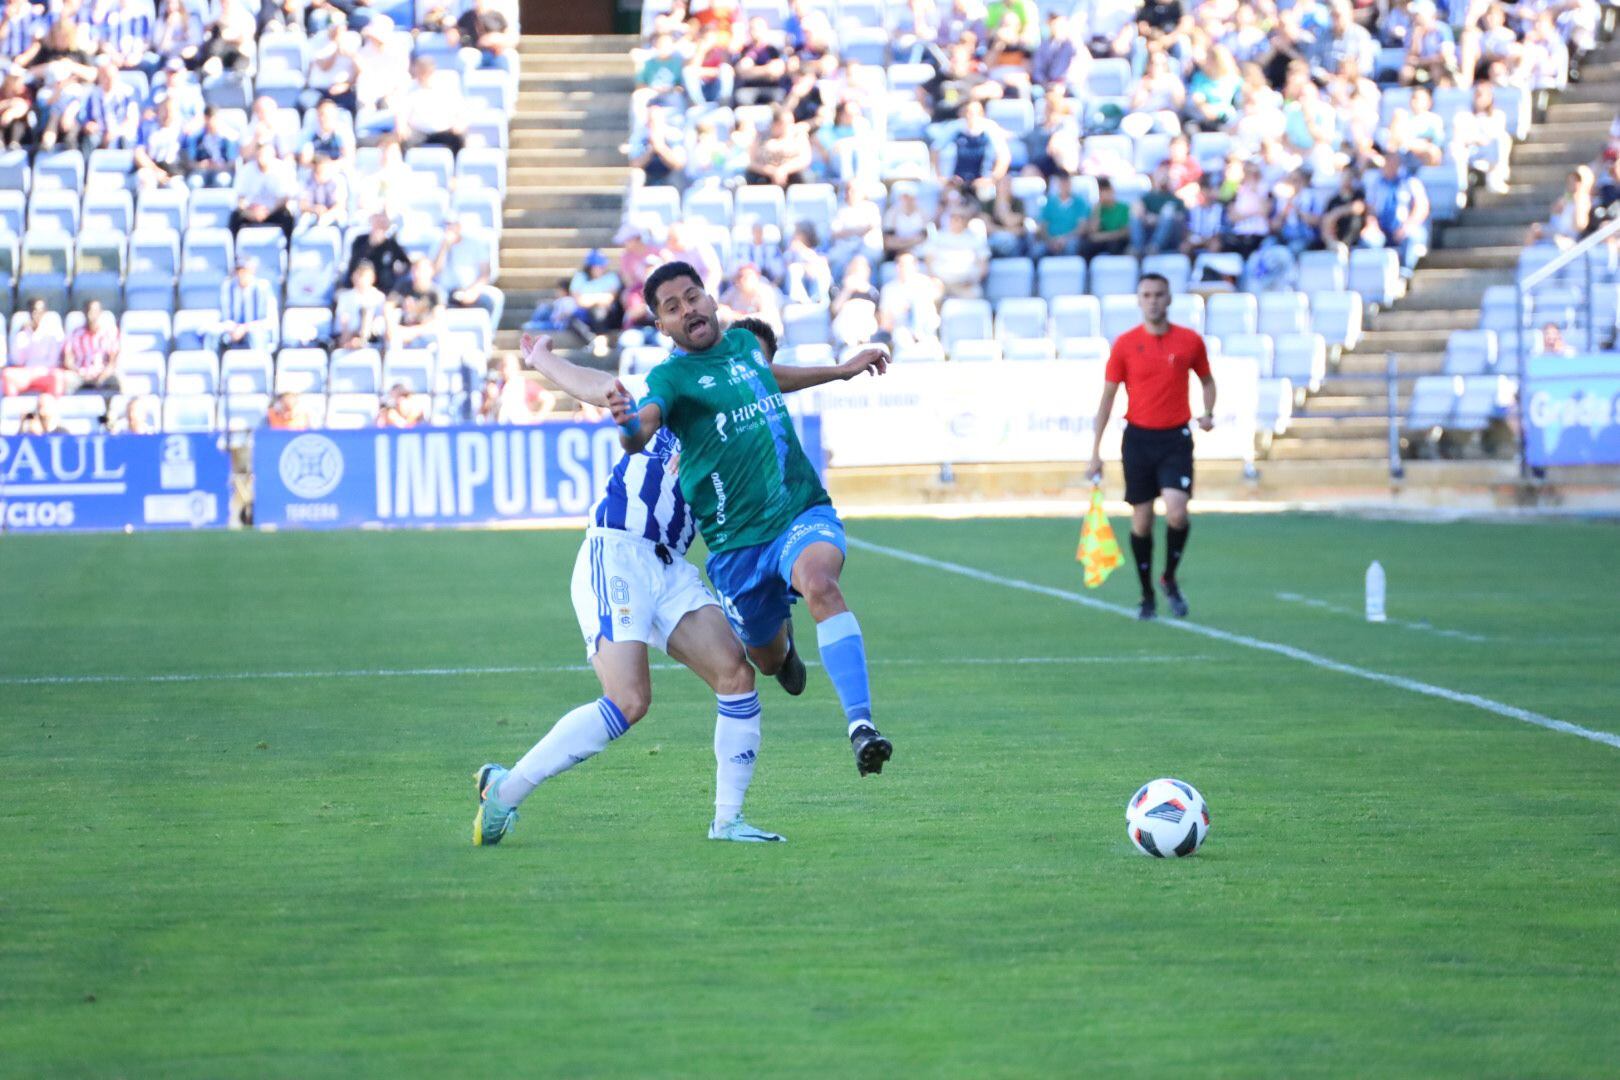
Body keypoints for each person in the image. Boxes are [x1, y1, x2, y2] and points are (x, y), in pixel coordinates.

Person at [473, 322, 890, 846]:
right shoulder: (674, 394)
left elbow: (769, 382)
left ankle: (727, 821)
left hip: (671, 568)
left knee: (736, 676)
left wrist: (840, 372)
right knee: (628, 700)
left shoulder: (740, 424)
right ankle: (505, 794)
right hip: (618, 551)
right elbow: (605, 390)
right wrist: (543, 362)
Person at [608, 262, 897, 779]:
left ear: (710, 298)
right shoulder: (670, 378)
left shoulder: (744, 346)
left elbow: (768, 376)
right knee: (763, 661)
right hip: (737, 546)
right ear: (662, 326)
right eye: (672, 307)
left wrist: (840, 370)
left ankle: (861, 726)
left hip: (798, 511)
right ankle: (783, 648)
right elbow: (644, 425)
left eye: (692, 297)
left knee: (821, 583)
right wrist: (629, 427)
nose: (688, 309)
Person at [1087, 273, 1216, 621]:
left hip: (1175, 437)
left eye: (1159, 294)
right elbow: (1108, 397)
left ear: (1169, 298)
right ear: (1139, 300)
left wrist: (1208, 412)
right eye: (1147, 295)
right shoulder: (1126, 344)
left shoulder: (1189, 342)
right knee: (1141, 522)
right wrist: (1095, 451)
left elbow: (1207, 381)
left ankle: (1169, 577)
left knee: (1177, 511)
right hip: (1139, 439)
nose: (1153, 300)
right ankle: (1146, 594)